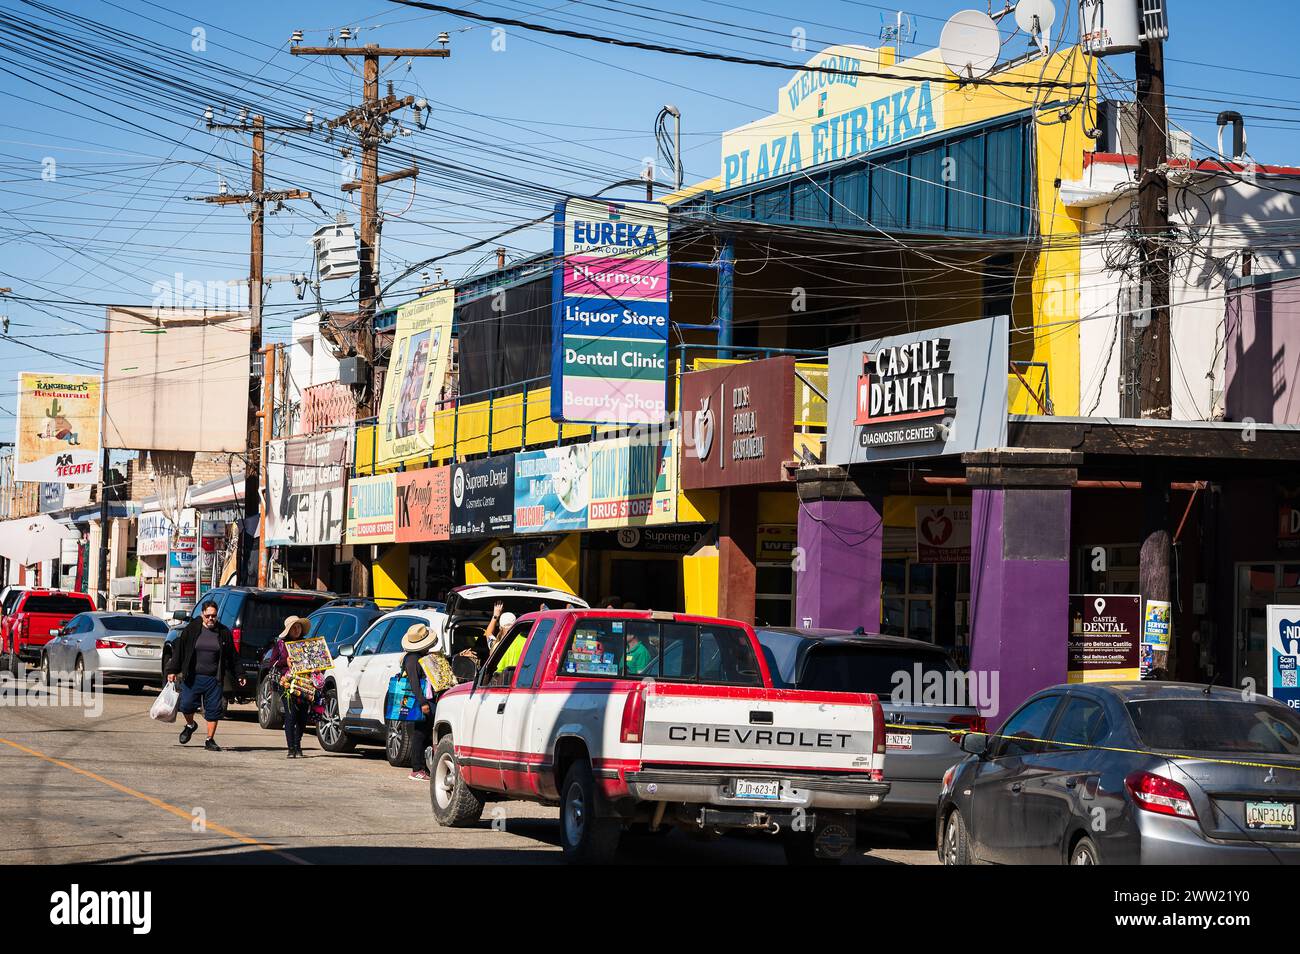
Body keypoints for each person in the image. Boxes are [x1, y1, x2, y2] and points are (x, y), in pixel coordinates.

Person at [166, 599, 244, 752]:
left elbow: (232, 656)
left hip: (214, 679)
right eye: (208, 616)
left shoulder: (223, 633)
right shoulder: (192, 629)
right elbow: (180, 652)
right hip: (193, 677)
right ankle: (190, 725)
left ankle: (210, 739)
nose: (210, 619)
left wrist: (240, 673)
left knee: (214, 710)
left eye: (213, 616)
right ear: (202, 614)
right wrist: (172, 670)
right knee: (186, 705)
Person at [400, 622, 449, 781]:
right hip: (420, 702)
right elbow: (414, 683)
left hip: (425, 700)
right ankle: (417, 769)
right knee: (419, 734)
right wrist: (423, 703)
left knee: (422, 733)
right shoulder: (412, 659)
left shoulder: (419, 657)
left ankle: (422, 768)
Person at [268, 616, 313, 759]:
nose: (296, 630)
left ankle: (298, 746)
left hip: (305, 684)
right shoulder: (280, 644)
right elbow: (272, 664)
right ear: (288, 630)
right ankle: (291, 748)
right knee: (291, 715)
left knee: (302, 716)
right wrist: (284, 661)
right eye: (293, 627)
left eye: (299, 627)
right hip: (286, 683)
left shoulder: (306, 644)